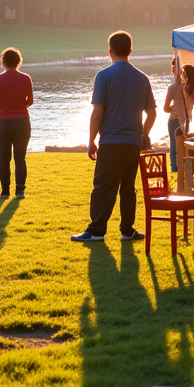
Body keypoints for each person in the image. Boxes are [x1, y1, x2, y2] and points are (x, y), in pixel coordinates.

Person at [71, 31, 157, 242]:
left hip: (111, 141)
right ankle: (127, 230)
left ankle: (96, 231)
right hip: (132, 143)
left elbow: (97, 112)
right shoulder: (142, 78)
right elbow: (152, 112)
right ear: (130, 50)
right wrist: (144, 134)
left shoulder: (103, 76)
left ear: (110, 51)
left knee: (103, 186)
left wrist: (91, 140)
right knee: (128, 187)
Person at [0, 48, 33, 197]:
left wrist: (2, 107)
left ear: (3, 61)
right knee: (20, 157)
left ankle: (5, 191)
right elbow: (30, 101)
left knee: (4, 159)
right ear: (19, 61)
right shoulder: (26, 78)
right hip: (22, 121)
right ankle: (20, 190)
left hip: (2, 122)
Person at [162, 59, 194, 174]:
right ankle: (185, 169)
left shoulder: (173, 88)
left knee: (174, 146)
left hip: (174, 119)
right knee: (184, 145)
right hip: (186, 120)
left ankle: (175, 170)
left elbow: (165, 108)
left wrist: (175, 107)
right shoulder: (193, 89)